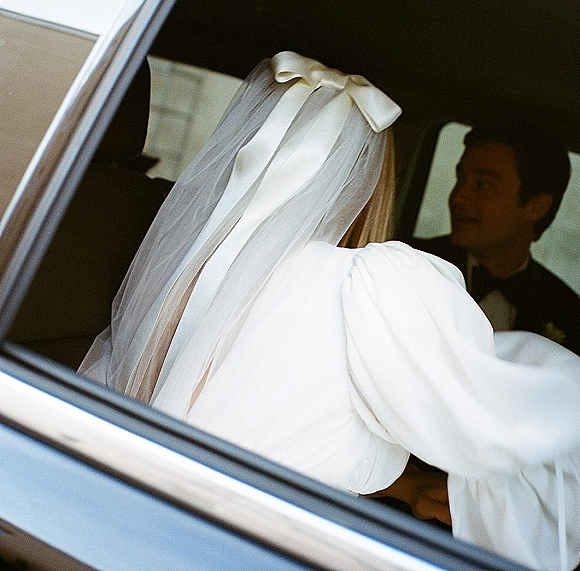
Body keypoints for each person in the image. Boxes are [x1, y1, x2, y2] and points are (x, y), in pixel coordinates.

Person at [79, 52, 580, 571]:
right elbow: (520, 425)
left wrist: (406, 488)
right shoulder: (373, 285)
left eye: (484, 183)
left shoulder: (177, 281)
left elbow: (274, 434)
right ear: (368, 175)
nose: (460, 197)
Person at [413, 123, 580, 355]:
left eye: (482, 185)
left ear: (535, 207)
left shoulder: (569, 312)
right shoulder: (411, 264)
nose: (458, 197)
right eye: (460, 178)